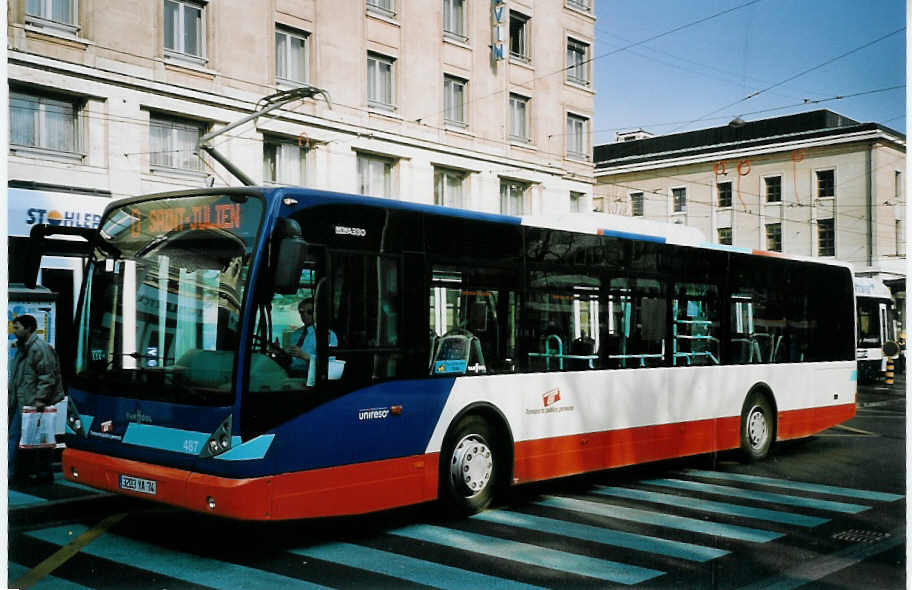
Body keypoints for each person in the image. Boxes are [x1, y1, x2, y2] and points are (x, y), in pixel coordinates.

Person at [8, 314, 65, 484]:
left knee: (29, 439)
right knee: (30, 440)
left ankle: (25, 474)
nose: (14, 331)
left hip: (32, 403)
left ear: (29, 328)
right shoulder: (23, 348)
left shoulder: (38, 348)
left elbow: (47, 377)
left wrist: (40, 400)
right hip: (23, 401)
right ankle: (26, 473)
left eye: (17, 328)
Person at [286, 298, 337, 385]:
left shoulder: (327, 335)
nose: (304, 315)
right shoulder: (295, 334)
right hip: (290, 374)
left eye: (309, 312)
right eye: (301, 312)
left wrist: (306, 356)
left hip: (311, 378)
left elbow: (330, 363)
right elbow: (290, 357)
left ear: (317, 313)